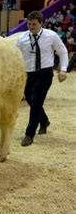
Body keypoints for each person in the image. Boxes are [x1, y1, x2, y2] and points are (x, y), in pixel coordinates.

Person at [16, 11, 68, 146]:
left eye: (34, 24)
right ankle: (44, 121)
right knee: (30, 99)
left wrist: (63, 69)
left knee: (36, 101)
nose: (31, 27)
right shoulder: (22, 39)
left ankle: (29, 134)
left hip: (45, 73)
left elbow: (62, 51)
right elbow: (16, 56)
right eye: (28, 24)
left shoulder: (51, 36)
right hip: (28, 73)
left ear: (41, 23)